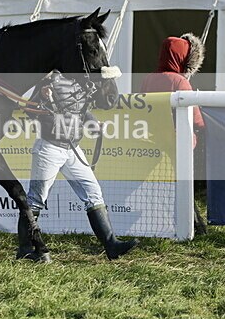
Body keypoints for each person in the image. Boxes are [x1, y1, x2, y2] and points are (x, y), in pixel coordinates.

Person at [20, 70, 137, 261]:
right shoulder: (49, 78)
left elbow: (81, 111)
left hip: (73, 149)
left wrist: (94, 125)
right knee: (36, 199)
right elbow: (29, 109)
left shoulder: (83, 82)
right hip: (49, 147)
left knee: (93, 193)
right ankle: (24, 249)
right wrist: (42, 97)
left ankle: (111, 245)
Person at [140, 33, 207, 234]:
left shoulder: (148, 79)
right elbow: (196, 118)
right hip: (179, 141)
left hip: (153, 139)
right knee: (184, 185)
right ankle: (193, 224)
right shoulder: (180, 81)